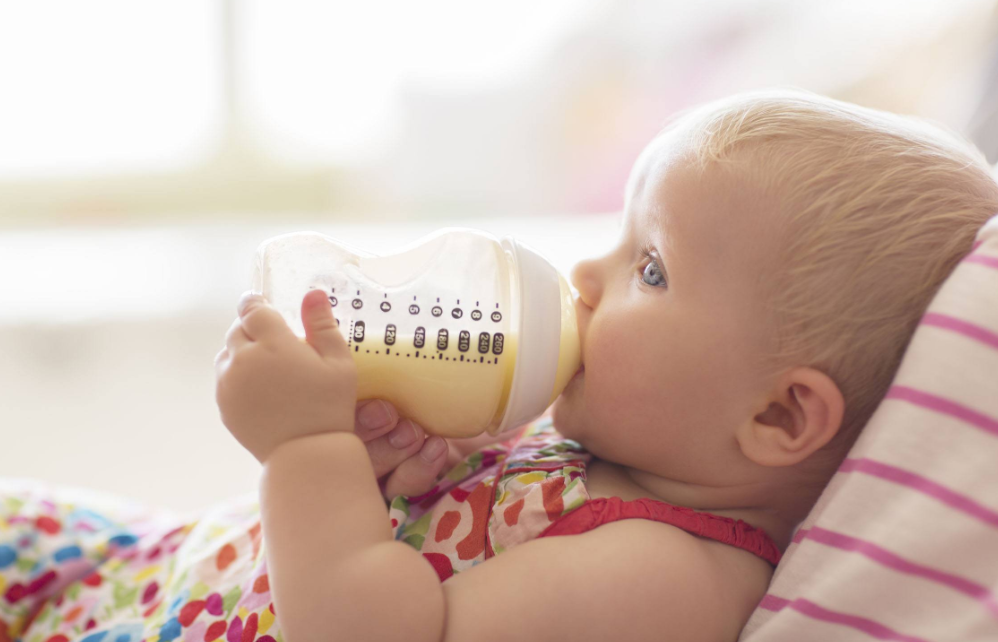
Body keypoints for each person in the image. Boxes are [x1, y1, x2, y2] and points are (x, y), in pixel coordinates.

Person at [2, 89, 996, 642]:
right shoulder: (601, 447)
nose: (586, 276)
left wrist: (303, 449)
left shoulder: (668, 576)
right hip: (145, 567)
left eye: (648, 266)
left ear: (778, 417)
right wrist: (399, 471)